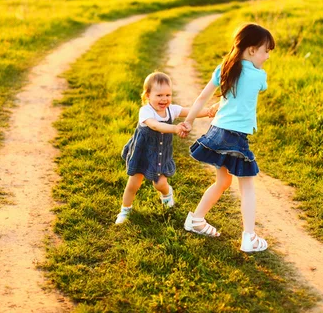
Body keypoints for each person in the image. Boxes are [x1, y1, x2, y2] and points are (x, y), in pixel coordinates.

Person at [179, 23, 275, 252]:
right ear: (252, 50)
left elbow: (202, 99)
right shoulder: (259, 75)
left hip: (217, 130)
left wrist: (189, 121)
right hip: (235, 136)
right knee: (248, 187)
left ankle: (196, 219)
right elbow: (254, 90)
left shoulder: (224, 67)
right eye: (265, 51)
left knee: (222, 181)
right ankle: (249, 237)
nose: (267, 56)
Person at [116, 72, 217, 224]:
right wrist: (175, 128)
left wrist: (208, 112)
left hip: (160, 155)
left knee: (160, 183)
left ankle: (167, 194)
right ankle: (125, 210)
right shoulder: (146, 111)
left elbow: (191, 112)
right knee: (133, 184)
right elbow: (156, 125)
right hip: (142, 153)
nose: (164, 99)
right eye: (159, 95)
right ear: (148, 95)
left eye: (168, 95)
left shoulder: (171, 109)